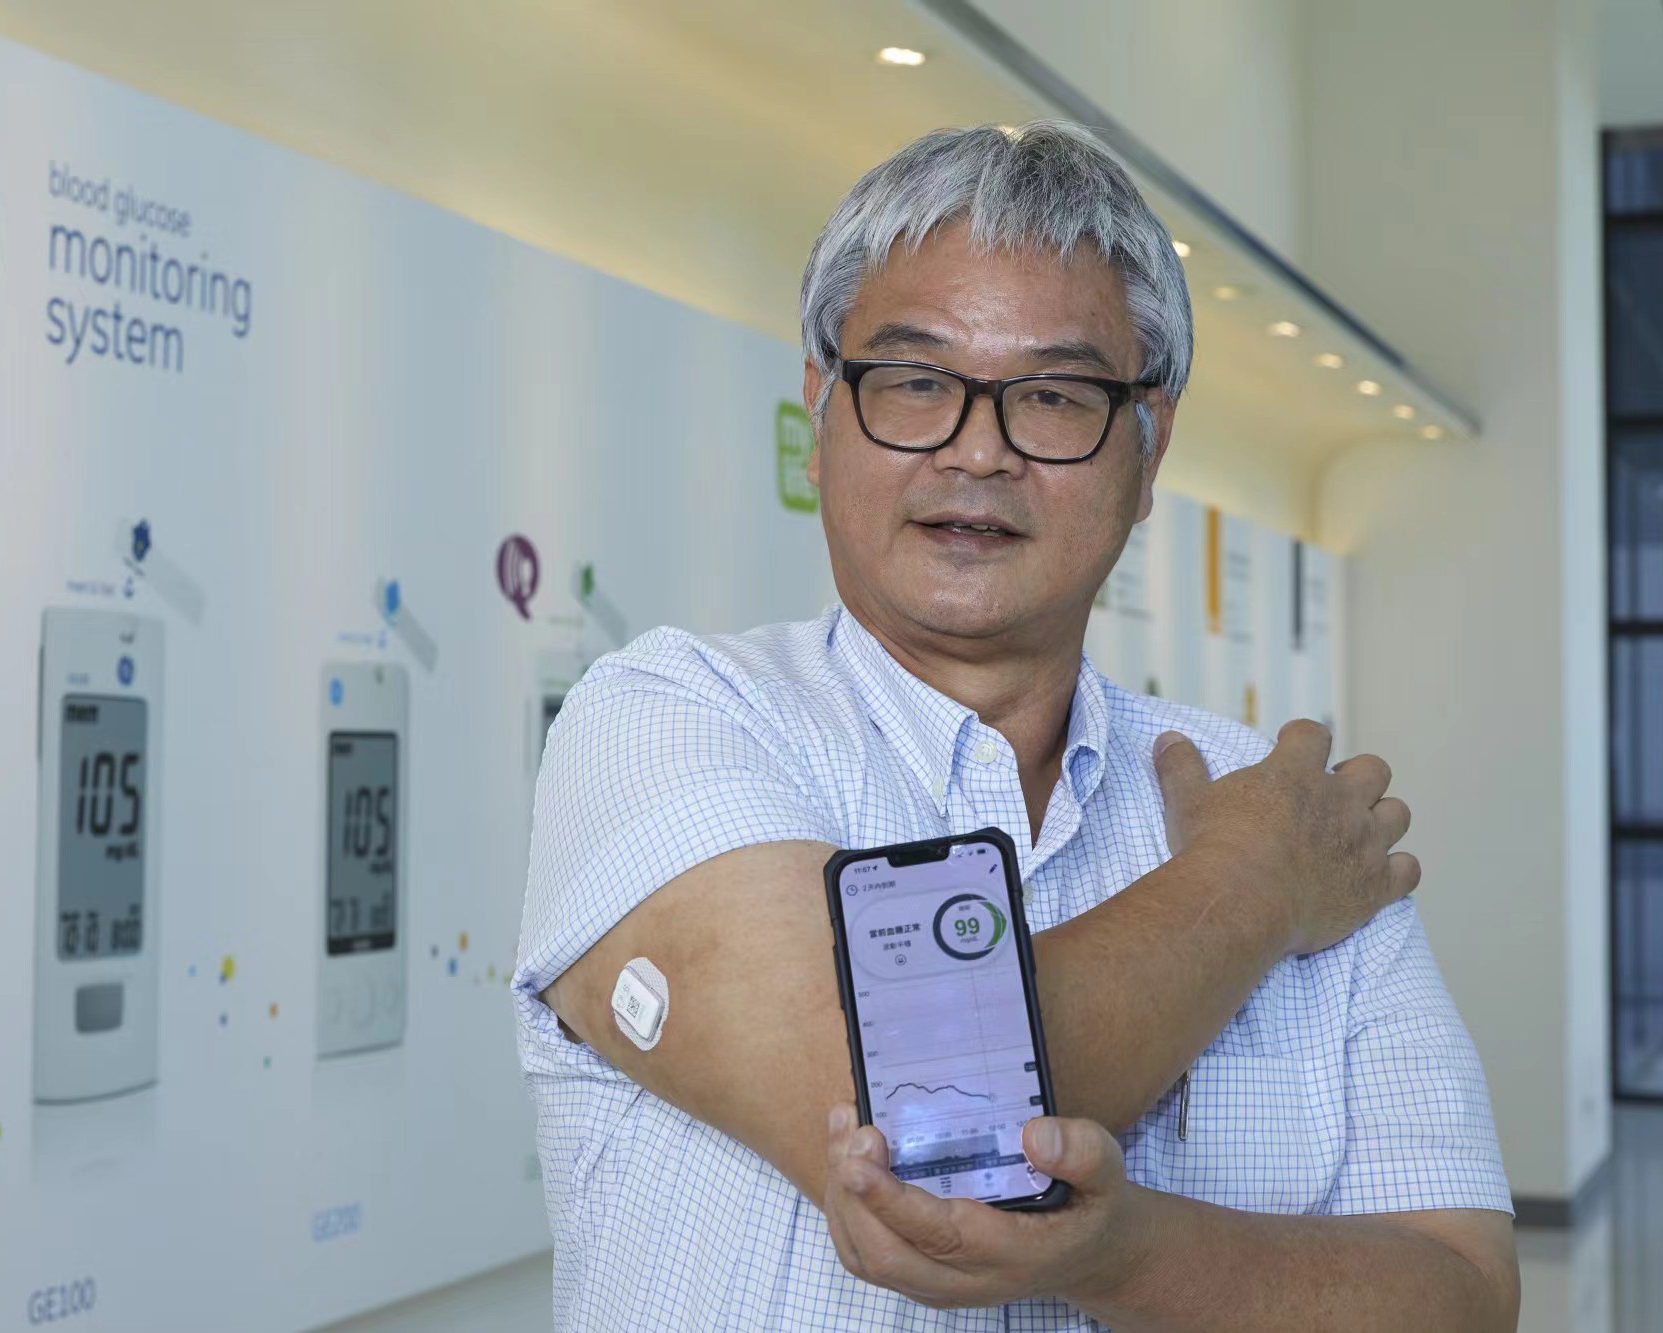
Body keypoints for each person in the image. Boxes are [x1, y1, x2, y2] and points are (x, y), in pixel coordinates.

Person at [514, 121, 1517, 1330]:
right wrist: (1249, 886)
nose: (977, 450)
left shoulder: (1280, 796)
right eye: (915, 382)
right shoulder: (668, 719)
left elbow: (1462, 1295)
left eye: (1052, 396)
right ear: (821, 412)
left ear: (1147, 451)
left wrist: (1126, 1255)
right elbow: (919, 1124)